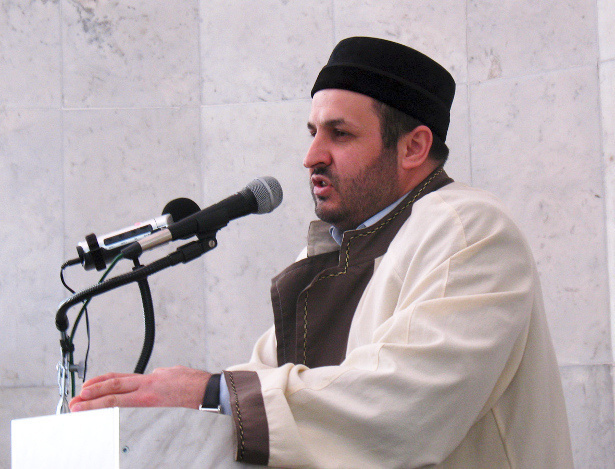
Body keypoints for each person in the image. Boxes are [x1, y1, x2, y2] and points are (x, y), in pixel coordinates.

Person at [69, 37, 573, 468]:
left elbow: (403, 407)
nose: (311, 157)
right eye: (313, 133)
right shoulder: (334, 249)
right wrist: (166, 404)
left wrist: (208, 393)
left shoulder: (469, 230)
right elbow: (265, 385)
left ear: (414, 147)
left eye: (340, 133)